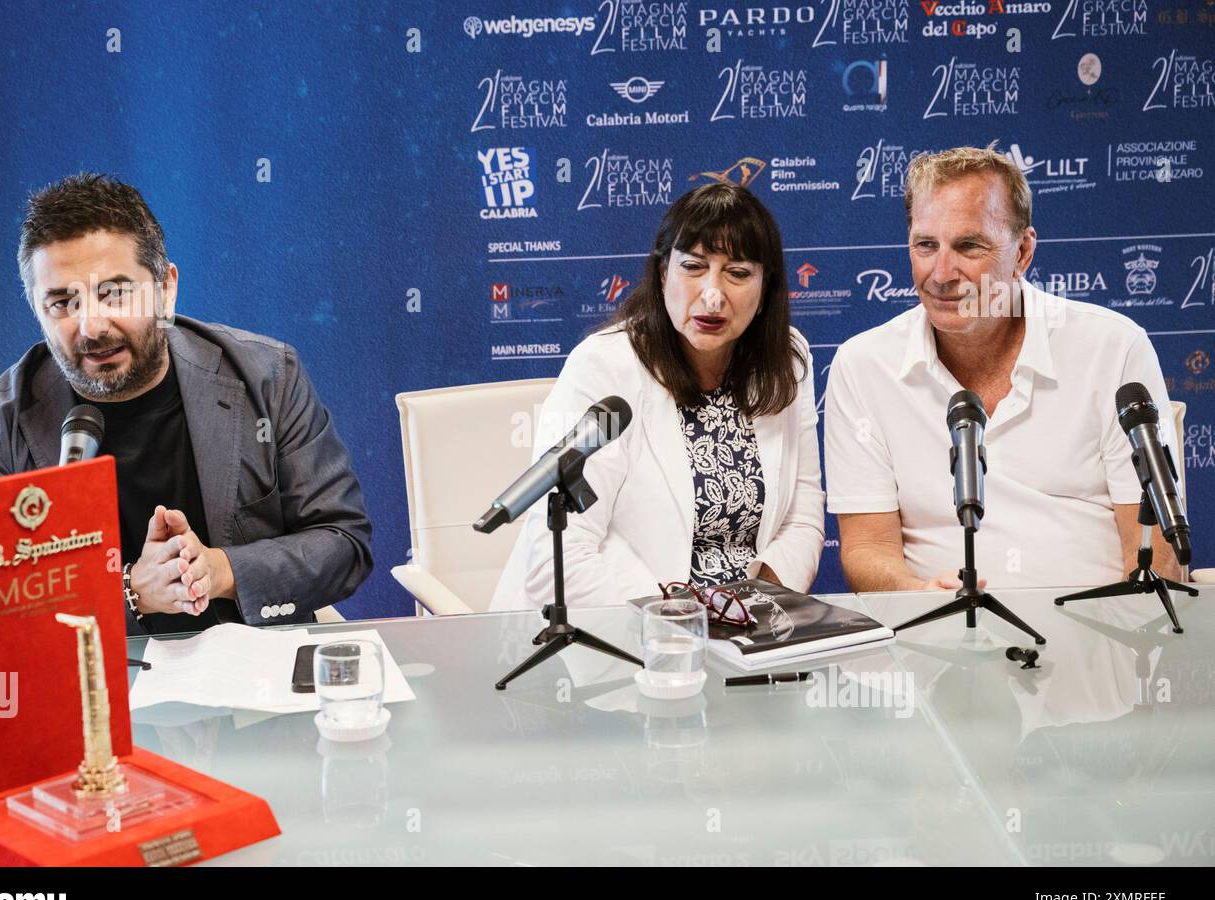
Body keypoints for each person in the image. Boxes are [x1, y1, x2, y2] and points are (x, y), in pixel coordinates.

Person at [0, 173, 373, 633]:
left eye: (114, 293)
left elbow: (343, 544)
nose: (91, 326)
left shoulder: (268, 376)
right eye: (62, 302)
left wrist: (222, 571)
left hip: (251, 674)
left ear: (165, 289)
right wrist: (134, 592)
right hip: (89, 682)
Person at [824, 146, 1179, 591]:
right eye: (925, 245)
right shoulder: (863, 366)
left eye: (969, 245)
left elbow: (1154, 550)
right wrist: (921, 598)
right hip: (938, 639)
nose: (941, 273)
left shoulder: (1113, 348)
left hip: (1098, 635)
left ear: (1023, 252)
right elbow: (865, 551)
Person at [491, 183, 825, 610]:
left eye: (738, 273)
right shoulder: (603, 366)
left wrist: (757, 610)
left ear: (766, 288)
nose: (712, 294)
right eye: (693, 267)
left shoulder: (787, 359)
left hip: (749, 628)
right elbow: (559, 558)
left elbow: (803, 516)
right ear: (663, 273)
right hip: (621, 637)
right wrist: (679, 635)